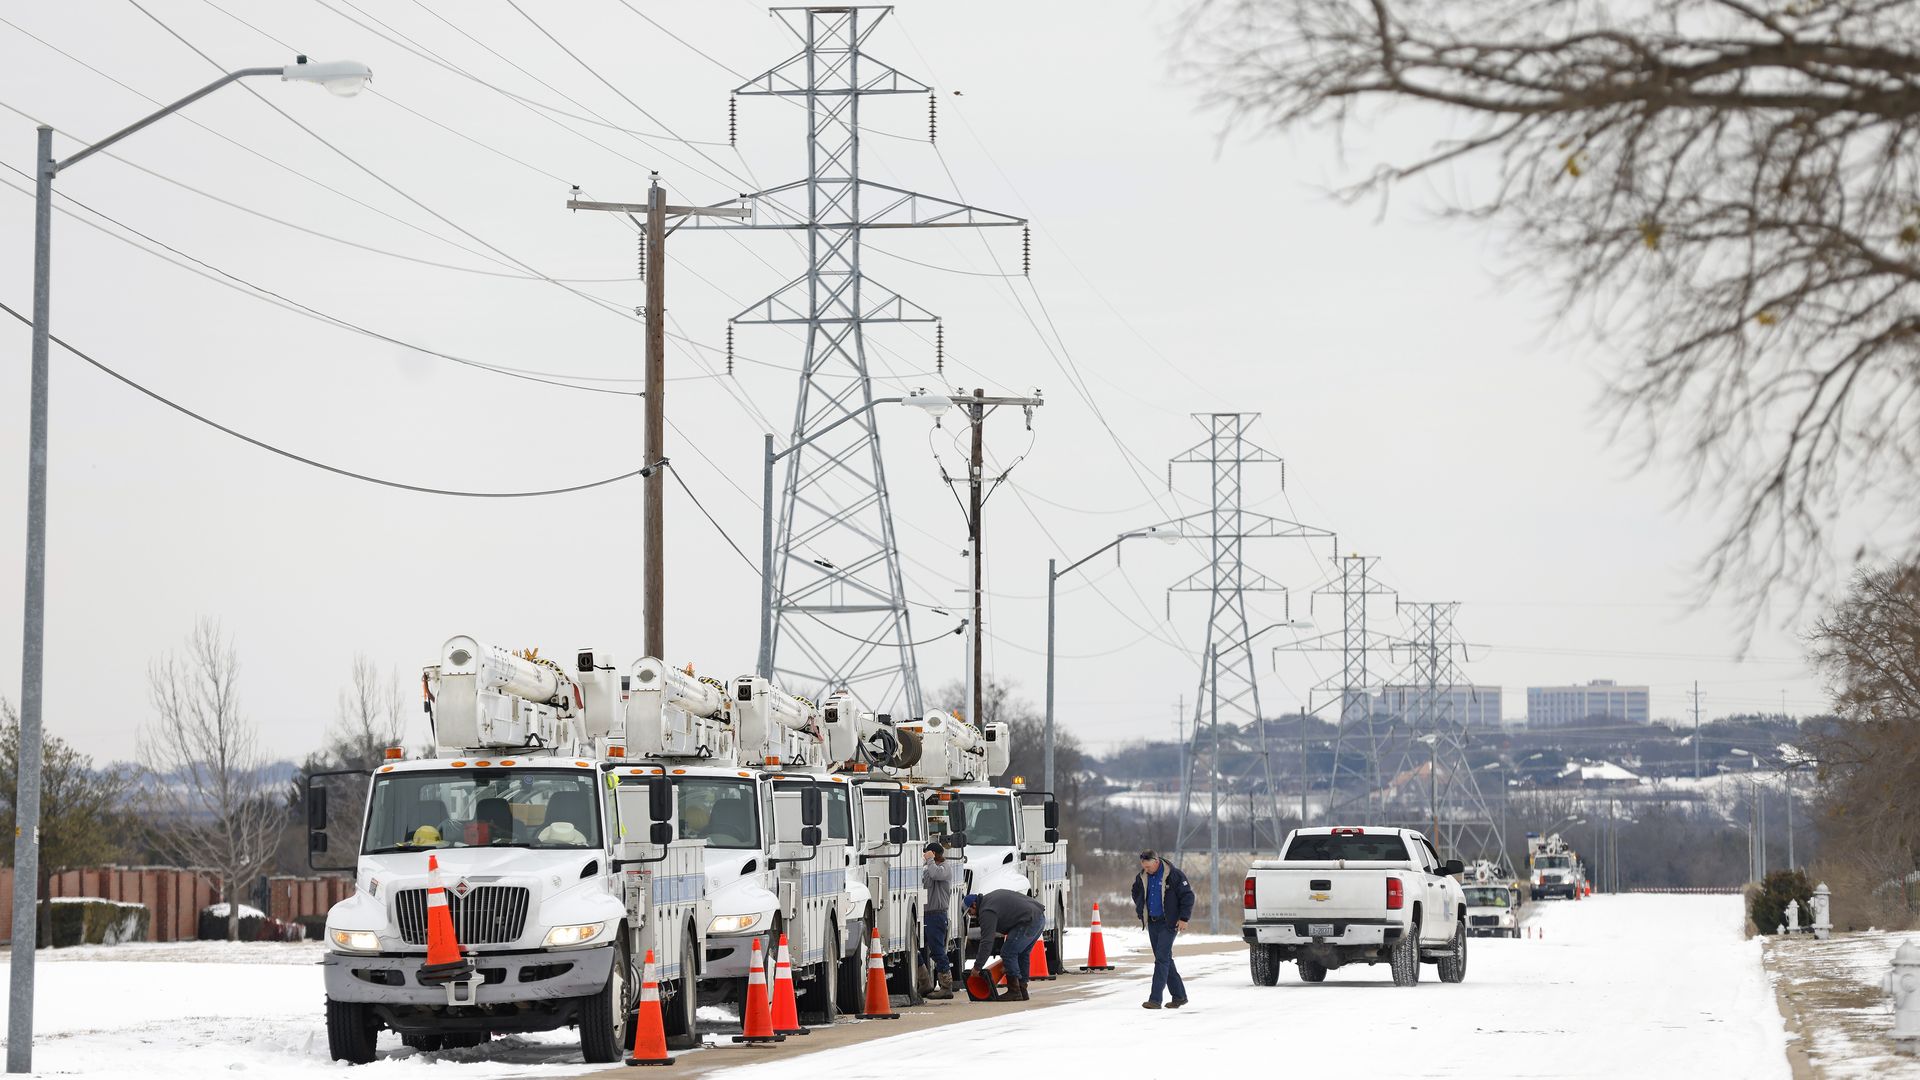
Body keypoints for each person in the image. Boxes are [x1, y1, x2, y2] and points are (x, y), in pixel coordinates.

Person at [1131, 849, 1195, 1010]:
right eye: (1144, 867)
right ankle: (1179, 996)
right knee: (1165, 958)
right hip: (1152, 923)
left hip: (1169, 923)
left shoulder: (1174, 875)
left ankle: (1155, 999)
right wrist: (1141, 908)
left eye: (1148, 867)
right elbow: (1135, 892)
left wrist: (1183, 918)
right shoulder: (1142, 877)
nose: (1146, 870)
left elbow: (1188, 896)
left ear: (1156, 861)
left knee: (1161, 959)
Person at [966, 889, 1045, 1002]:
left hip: (1029, 920)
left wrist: (977, 967)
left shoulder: (986, 910)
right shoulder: (989, 900)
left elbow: (987, 941)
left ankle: (1014, 991)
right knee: (1022, 954)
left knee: (1008, 952)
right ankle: (1022, 989)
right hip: (1039, 917)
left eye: (970, 912)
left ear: (974, 905)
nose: (971, 915)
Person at [921, 842, 962, 999]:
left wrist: (930, 860)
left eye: (928, 854)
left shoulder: (945, 868)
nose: (926, 857)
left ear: (935, 854)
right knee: (918, 948)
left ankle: (946, 986)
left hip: (937, 915)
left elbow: (936, 874)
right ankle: (924, 982)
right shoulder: (929, 869)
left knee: (938, 950)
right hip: (925, 914)